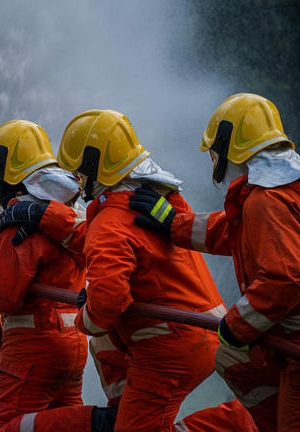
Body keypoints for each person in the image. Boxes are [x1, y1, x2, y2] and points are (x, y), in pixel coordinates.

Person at [0, 110, 256, 431]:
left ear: (93, 166)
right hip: (200, 333)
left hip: (169, 347)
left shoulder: (110, 222)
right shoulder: (154, 201)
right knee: (135, 419)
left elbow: (106, 305)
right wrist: (43, 215)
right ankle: (252, 416)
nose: (76, 179)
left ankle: (247, 422)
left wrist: (83, 315)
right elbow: (95, 240)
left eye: (78, 170)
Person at [128, 93, 300, 431]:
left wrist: (237, 324)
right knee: (233, 359)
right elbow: (234, 231)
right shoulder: (283, 190)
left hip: (296, 352)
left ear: (228, 146)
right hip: (288, 344)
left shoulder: (265, 201)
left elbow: (285, 278)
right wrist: (170, 222)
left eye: (215, 152)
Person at [0, 119, 117, 431]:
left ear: (7, 175)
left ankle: (97, 423)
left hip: (32, 349)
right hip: (71, 344)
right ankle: (90, 422)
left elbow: (1, 296)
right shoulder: (68, 211)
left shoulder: (19, 218)